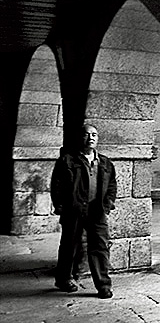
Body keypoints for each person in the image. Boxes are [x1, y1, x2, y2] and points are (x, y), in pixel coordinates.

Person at [50, 123, 117, 299]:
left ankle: (103, 285)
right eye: (87, 135)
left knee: (100, 247)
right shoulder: (67, 160)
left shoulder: (105, 162)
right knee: (69, 246)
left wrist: (108, 204)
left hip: (97, 211)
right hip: (74, 209)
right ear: (80, 138)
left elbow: (112, 185)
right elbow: (57, 185)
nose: (91, 138)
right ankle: (64, 279)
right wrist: (60, 205)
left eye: (94, 134)